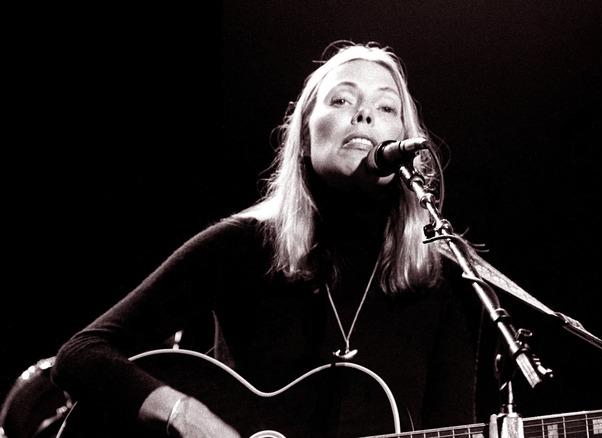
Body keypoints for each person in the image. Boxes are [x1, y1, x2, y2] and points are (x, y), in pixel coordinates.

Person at [51, 41, 484, 437]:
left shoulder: (445, 278)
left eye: (386, 107)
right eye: (342, 99)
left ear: (405, 143)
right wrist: (185, 414)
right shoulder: (242, 246)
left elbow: (452, 425)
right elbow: (82, 354)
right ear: (304, 137)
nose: (364, 115)